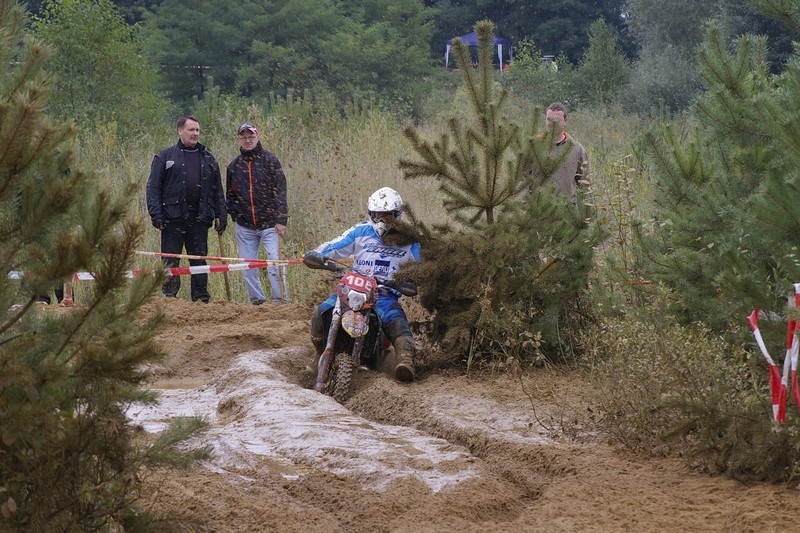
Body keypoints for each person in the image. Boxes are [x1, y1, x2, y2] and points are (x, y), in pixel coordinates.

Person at [304, 187, 421, 382]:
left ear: (397, 215)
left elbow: (423, 266)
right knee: (321, 311)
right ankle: (320, 351)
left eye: (387, 215)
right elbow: (334, 246)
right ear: (370, 214)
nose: (381, 220)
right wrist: (317, 254)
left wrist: (413, 280)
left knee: (396, 321)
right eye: (377, 215)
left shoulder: (410, 240)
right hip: (352, 287)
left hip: (384, 293)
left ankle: (405, 360)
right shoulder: (360, 231)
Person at [146, 115, 226, 303]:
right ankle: (170, 298)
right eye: (191, 130)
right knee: (170, 260)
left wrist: (221, 214)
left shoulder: (209, 158)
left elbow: (217, 190)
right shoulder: (165, 157)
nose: (195, 133)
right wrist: (156, 215)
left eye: (197, 130)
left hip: (200, 218)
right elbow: (153, 187)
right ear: (180, 131)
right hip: (172, 218)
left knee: (199, 260)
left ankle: (200, 299)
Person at [225, 123, 288, 304]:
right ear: (239, 139)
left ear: (257, 137)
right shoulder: (234, 166)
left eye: (251, 137)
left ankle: (280, 302)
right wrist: (235, 214)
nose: (248, 140)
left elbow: (281, 190)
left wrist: (281, 219)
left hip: (270, 224)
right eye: (244, 137)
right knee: (248, 266)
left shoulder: (270, 161)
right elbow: (230, 194)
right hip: (245, 225)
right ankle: (257, 302)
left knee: (274, 262)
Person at [543, 102, 591, 204]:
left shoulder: (576, 149)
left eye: (557, 120)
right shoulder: (534, 147)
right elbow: (522, 182)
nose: (553, 123)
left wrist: (586, 210)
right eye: (549, 119)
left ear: (565, 121)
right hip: (538, 211)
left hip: (567, 209)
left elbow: (585, 184)